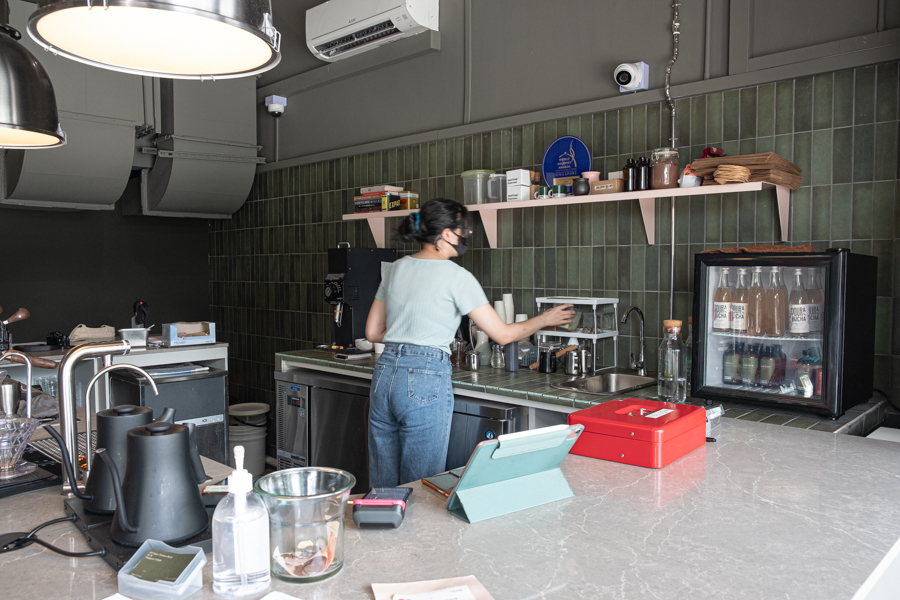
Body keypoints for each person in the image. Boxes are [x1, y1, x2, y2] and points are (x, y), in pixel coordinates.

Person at [365, 198, 574, 487]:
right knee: (419, 483)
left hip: (384, 373)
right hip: (424, 377)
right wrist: (544, 318)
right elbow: (501, 334)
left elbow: (374, 333)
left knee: (383, 486)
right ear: (447, 234)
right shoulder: (457, 277)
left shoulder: (396, 269)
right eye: (464, 231)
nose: (466, 237)